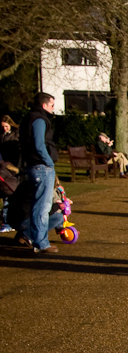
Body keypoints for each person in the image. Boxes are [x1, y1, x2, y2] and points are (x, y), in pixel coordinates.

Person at [18, 93, 59, 254]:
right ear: (44, 105)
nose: (53, 108)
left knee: (38, 206)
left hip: (34, 166)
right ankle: (41, 243)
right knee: (42, 207)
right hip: (41, 167)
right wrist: (48, 162)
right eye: (51, 105)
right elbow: (39, 144)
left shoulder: (30, 118)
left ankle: (31, 236)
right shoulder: (39, 119)